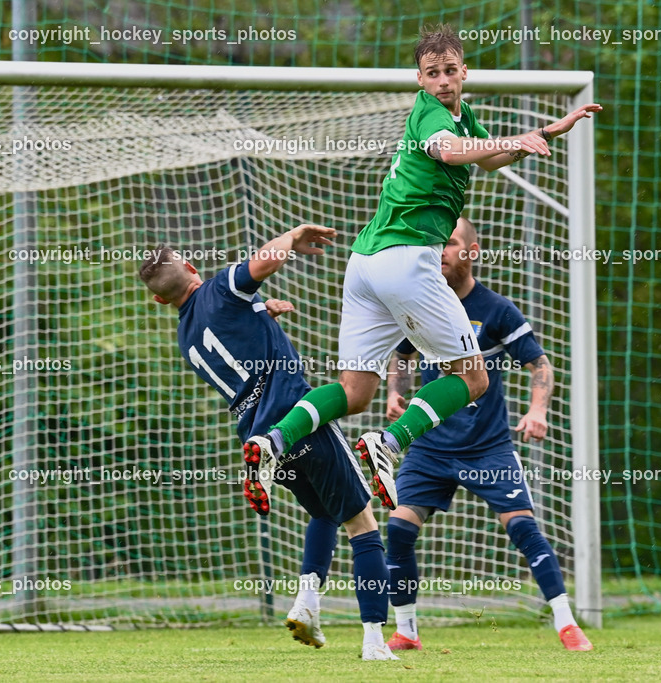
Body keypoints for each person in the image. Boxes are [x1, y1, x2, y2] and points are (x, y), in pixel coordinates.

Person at [243, 26, 602, 509]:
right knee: (473, 378)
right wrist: (526, 135)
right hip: (407, 261)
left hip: (365, 263)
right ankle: (389, 445)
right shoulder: (432, 115)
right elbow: (450, 152)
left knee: (354, 392)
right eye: (432, 74)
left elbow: (489, 158)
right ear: (420, 79)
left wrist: (544, 133)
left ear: (463, 72)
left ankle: (272, 442)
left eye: (449, 71)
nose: (442, 81)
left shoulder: (462, 114)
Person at [139, 224, 399, 660]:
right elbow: (265, 261)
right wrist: (292, 236)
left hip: (257, 436)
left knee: (323, 512)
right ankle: (375, 641)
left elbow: (235, 337)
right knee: (362, 524)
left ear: (160, 300)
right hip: (297, 419)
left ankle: (306, 602)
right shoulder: (220, 288)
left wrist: (262, 312)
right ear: (190, 267)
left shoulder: (187, 336)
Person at [383, 218, 593, 652]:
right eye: (436, 243)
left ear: (472, 252)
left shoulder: (497, 309)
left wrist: (537, 410)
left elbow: (540, 364)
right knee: (399, 529)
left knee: (523, 529)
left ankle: (567, 624)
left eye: (452, 243)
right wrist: (394, 393)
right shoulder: (421, 304)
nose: (441, 250)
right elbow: (400, 357)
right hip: (431, 447)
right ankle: (406, 630)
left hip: (487, 447)